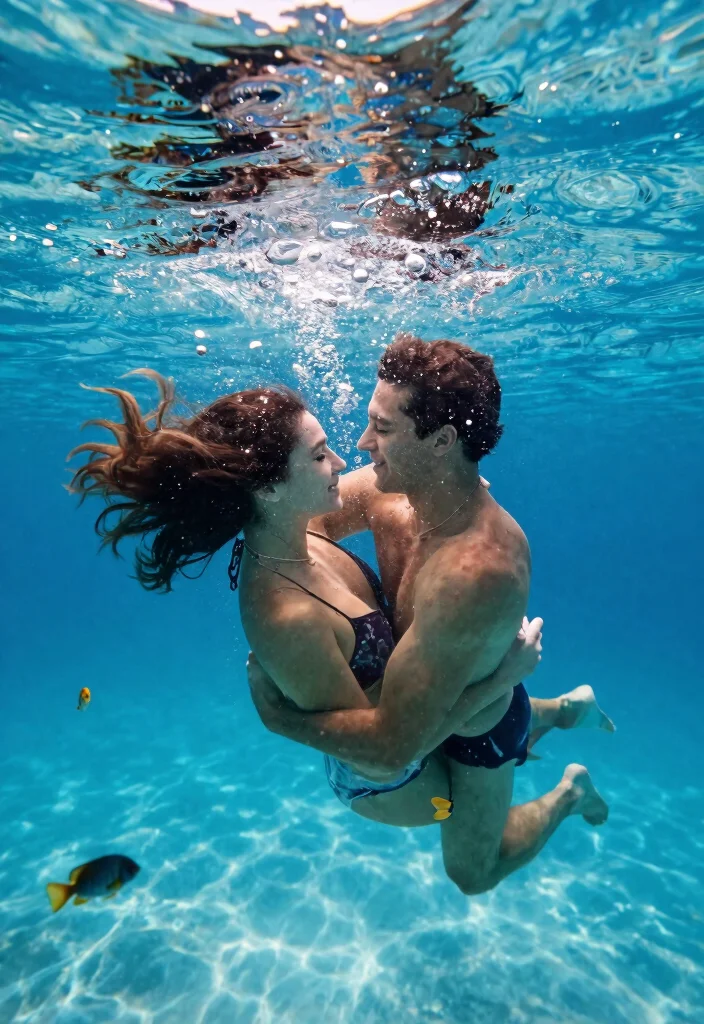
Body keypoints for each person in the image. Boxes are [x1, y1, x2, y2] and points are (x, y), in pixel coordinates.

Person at [67, 358, 609, 893]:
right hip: (407, 774)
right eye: (321, 454)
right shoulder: (289, 608)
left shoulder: (299, 527)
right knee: (472, 871)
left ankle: (565, 710)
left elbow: (319, 505)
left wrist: (451, 482)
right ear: (271, 488)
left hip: (450, 712)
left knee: (486, 750)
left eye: (381, 427)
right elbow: (390, 753)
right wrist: (499, 677)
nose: (354, 452)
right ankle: (570, 790)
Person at [247, 334, 613, 895]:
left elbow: (396, 748)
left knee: (472, 872)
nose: (363, 443)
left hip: (476, 732)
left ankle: (570, 792)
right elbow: (298, 524)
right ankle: (568, 707)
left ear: (442, 441)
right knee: (491, 684)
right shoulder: (391, 491)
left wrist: (284, 720)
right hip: (435, 690)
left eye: (384, 430)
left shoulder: (477, 570)